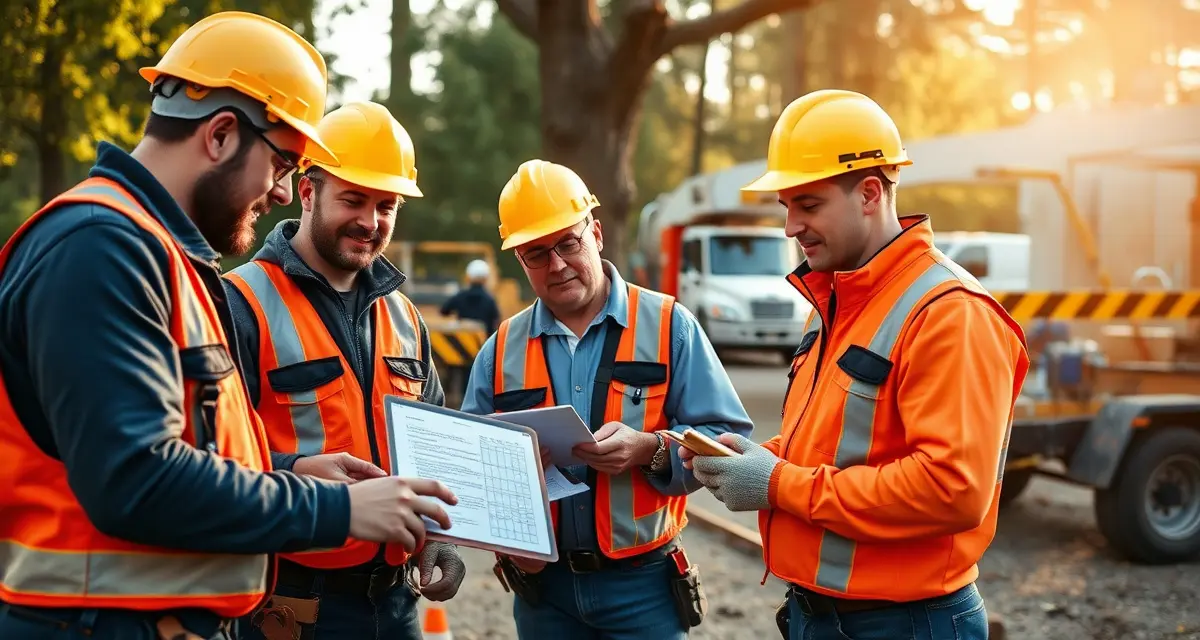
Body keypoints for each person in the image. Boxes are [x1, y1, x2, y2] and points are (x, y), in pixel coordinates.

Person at [0, 13, 455, 640]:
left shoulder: (156, 254)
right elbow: (136, 481)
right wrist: (338, 508)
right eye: (282, 162)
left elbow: (183, 449)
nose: (280, 192)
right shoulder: (101, 248)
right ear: (219, 135)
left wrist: (285, 473)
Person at [679, 89, 1030, 640]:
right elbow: (833, 443)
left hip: (907, 622)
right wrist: (756, 458)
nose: (791, 226)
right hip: (823, 616)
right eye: (787, 207)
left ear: (870, 192)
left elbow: (952, 490)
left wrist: (777, 484)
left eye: (809, 205)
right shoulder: (836, 301)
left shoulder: (950, 313)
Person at [459, 159, 754, 639]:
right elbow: (468, 465)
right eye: (536, 253)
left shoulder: (670, 327)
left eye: (568, 243)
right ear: (519, 261)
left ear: (595, 234)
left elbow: (730, 441)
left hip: (644, 589)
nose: (556, 265)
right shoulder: (499, 352)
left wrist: (651, 449)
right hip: (542, 594)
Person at [223, 101, 466, 640]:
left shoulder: (405, 317)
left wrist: (437, 537)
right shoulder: (240, 303)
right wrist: (294, 469)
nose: (370, 221)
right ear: (308, 192)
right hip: (290, 606)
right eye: (353, 199)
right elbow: (209, 455)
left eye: (387, 205)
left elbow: (431, 444)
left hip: (397, 602)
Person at [440, 258, 501, 335]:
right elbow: (496, 320)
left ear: (468, 276)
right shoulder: (490, 300)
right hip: (485, 344)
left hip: (462, 342)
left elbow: (444, 311)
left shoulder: (459, 297)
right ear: (486, 278)